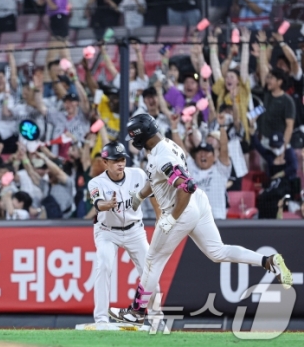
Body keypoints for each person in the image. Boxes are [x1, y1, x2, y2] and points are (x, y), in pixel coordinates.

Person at [111, 113, 293, 325]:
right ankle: (268, 261)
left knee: (152, 260)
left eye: (135, 137)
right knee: (217, 251)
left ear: (142, 136)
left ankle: (137, 312)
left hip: (181, 208)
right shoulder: (166, 145)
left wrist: (172, 218)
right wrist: (140, 196)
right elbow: (158, 178)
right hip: (199, 203)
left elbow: (186, 186)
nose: (134, 142)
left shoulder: (163, 156)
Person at [87, 141, 157, 324]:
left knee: (150, 273)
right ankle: (101, 319)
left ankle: (157, 319)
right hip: (107, 232)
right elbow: (97, 203)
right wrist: (106, 205)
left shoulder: (138, 175)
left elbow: (153, 195)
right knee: (104, 266)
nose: (120, 163)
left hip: (135, 231)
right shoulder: (96, 182)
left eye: (122, 159)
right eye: (115, 160)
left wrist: (161, 218)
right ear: (105, 162)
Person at [171, 113, 232, 220]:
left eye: (207, 152)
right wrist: (174, 127)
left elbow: (224, 148)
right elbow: (179, 149)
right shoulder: (191, 168)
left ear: (214, 157)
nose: (203, 154)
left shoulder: (220, 170)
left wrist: (222, 127)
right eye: (199, 152)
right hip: (195, 220)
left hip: (216, 218)